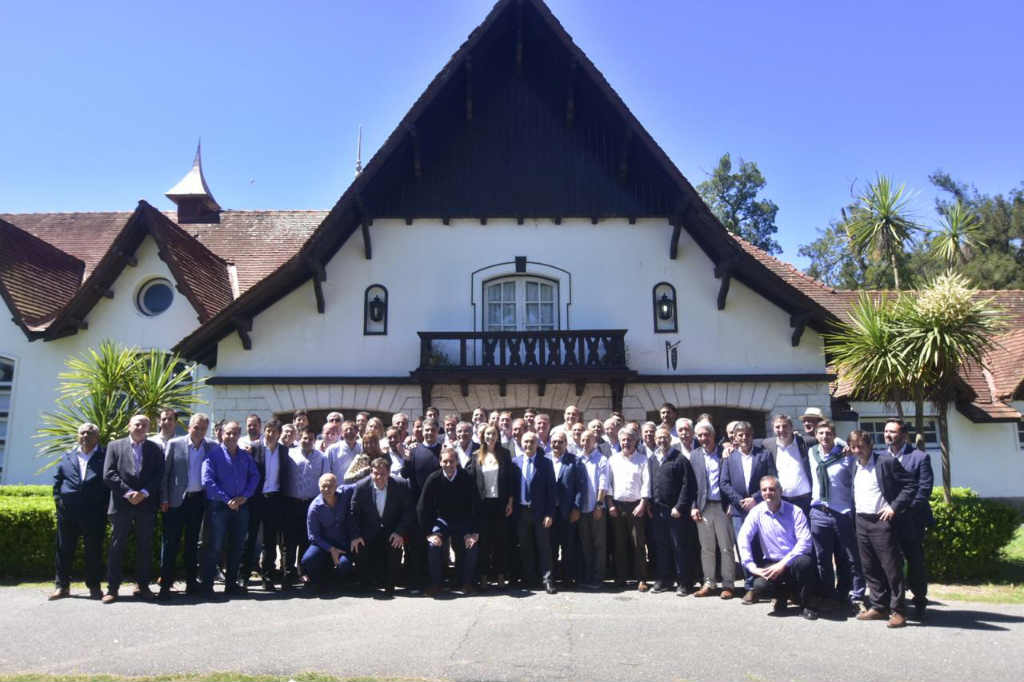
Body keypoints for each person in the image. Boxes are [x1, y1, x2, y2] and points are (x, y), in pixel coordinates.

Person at [847, 430, 916, 628]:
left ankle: (899, 611)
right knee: (869, 567)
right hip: (861, 521)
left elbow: (910, 485)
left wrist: (894, 507)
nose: (858, 450)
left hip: (882, 522)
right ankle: (879, 606)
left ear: (870, 445)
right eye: (854, 447)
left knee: (892, 569)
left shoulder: (885, 462)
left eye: (861, 446)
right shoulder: (854, 465)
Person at [737, 475, 822, 620]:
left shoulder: (795, 511)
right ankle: (782, 595)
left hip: (793, 561)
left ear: (780, 491)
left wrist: (783, 564)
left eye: (772, 489)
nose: (768, 493)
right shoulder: (756, 512)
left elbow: (805, 542)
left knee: (805, 563)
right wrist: (751, 567)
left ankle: (806, 604)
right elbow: (743, 537)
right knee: (759, 587)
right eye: (764, 490)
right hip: (772, 562)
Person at [103, 414, 164, 603]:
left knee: (144, 547)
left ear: (149, 428)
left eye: (144, 425)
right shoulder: (115, 446)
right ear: (129, 426)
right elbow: (109, 473)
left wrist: (144, 493)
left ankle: (143, 586)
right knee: (116, 547)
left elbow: (159, 474)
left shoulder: (155, 448)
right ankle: (112, 589)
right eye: (137, 424)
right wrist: (129, 493)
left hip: (145, 505)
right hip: (122, 505)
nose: (140, 427)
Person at [806, 420, 864, 611]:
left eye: (828, 433)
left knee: (847, 557)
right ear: (816, 435)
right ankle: (828, 594)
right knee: (822, 558)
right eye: (821, 433)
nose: (824, 437)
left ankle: (850, 594)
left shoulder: (845, 454)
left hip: (841, 512)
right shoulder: (812, 453)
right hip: (819, 512)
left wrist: (842, 444)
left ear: (834, 435)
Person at [159, 413, 217, 599]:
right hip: (176, 501)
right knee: (170, 543)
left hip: (198, 501)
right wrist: (164, 498)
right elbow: (165, 475)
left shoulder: (211, 447)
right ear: (189, 427)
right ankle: (165, 585)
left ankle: (191, 583)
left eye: (203, 428)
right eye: (196, 427)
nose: (199, 431)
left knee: (192, 544)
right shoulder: (175, 444)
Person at [883, 419, 935, 621]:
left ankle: (920, 600)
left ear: (904, 435)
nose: (888, 435)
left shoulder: (919, 457)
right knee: (890, 562)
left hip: (911, 519)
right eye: (886, 431)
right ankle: (894, 602)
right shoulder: (880, 458)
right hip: (887, 520)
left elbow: (924, 490)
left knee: (915, 562)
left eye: (892, 432)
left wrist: (902, 509)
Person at [50, 422, 109, 600]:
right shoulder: (68, 456)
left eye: (89, 433)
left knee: (93, 551)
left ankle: (94, 587)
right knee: (64, 550)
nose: (85, 436)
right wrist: (59, 502)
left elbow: (109, 483)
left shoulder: (105, 456)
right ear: (78, 436)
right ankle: (62, 586)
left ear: (97, 437)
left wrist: (104, 507)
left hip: (94, 513)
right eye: (82, 433)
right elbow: (58, 481)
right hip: (68, 512)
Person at [200, 421, 259, 597]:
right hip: (219, 507)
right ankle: (207, 586)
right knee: (214, 547)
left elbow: (255, 476)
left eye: (234, 433)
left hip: (241, 507)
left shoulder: (245, 456)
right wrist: (227, 500)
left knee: (237, 547)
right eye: (228, 433)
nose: (231, 437)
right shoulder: (213, 454)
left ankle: (231, 585)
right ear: (222, 434)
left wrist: (246, 496)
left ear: (239, 434)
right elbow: (207, 481)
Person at [720, 421, 776, 598]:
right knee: (744, 548)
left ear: (752, 435)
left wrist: (756, 498)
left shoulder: (764, 455)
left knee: (762, 546)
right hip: (739, 510)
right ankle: (750, 586)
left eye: (747, 434)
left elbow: (773, 478)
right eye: (740, 435)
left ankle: (765, 585)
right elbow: (724, 483)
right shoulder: (729, 458)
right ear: (735, 437)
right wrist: (739, 501)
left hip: (761, 507)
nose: (744, 438)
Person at [417, 446, 480, 596]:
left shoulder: (467, 477)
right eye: (445, 461)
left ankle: (467, 583)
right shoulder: (433, 479)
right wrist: (428, 533)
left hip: (462, 520)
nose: (448, 465)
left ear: (457, 462)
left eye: (451, 461)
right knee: (433, 546)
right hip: (442, 520)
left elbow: (476, 506)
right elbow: (422, 508)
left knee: (472, 545)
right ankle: (436, 584)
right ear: (440, 462)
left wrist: (474, 532)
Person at [349, 457, 414, 594]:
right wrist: (356, 535)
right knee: (358, 547)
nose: (378, 477)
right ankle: (365, 584)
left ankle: (390, 584)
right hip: (368, 531)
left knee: (395, 548)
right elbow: (352, 514)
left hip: (391, 531)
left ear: (389, 473)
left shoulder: (401, 485)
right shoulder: (361, 486)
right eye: (375, 473)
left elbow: (408, 511)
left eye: (382, 474)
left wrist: (400, 532)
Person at [242, 418, 290, 591]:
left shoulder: (284, 451)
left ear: (279, 435)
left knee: (270, 542)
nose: (270, 434)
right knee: (250, 538)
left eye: (274, 432)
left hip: (274, 499)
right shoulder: (254, 449)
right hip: (256, 499)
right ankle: (243, 577)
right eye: (268, 430)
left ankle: (267, 578)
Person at [689, 421, 736, 598]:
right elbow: (692, 485)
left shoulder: (725, 453)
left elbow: (732, 479)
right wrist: (693, 507)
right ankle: (709, 583)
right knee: (706, 548)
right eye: (700, 435)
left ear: (713, 436)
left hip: (722, 507)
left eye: (706, 435)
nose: (703, 438)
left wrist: (731, 503)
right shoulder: (694, 456)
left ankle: (728, 584)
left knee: (726, 547)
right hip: (703, 507)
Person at [647, 426, 695, 595]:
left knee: (679, 547)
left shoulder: (680, 459)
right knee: (662, 546)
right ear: (655, 440)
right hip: (658, 511)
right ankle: (664, 580)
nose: (662, 441)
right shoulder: (653, 459)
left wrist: (679, 507)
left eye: (665, 438)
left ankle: (684, 582)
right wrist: (650, 505)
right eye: (659, 438)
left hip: (675, 511)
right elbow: (651, 484)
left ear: (670, 439)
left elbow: (687, 486)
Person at [465, 425, 514, 588]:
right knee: (484, 542)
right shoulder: (475, 455)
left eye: (493, 434)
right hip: (483, 504)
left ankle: (500, 575)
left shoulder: (505, 454)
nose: (491, 437)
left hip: (500, 503)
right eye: (488, 434)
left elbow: (510, 480)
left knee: (501, 541)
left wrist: (510, 501)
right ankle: (484, 576)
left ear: (498, 436)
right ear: (482, 436)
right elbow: (470, 481)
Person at [282, 425, 330, 586]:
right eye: (304, 438)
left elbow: (326, 480)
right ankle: (287, 573)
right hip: (290, 502)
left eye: (310, 439)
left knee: (305, 539)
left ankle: (303, 572)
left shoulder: (322, 458)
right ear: (299, 438)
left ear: (314, 441)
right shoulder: (290, 454)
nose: (307, 441)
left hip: (310, 504)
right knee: (289, 541)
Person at [513, 431, 557, 593]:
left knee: (544, 547)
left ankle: (547, 580)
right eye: (525, 442)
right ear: (521, 443)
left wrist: (550, 514)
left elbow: (551, 492)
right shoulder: (515, 462)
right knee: (525, 546)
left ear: (537, 444)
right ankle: (529, 579)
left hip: (540, 512)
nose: (528, 445)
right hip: (522, 511)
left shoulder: (546, 463)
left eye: (532, 442)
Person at [606, 427, 650, 591]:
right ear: (620, 441)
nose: (626, 442)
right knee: (619, 543)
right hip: (617, 506)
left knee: (638, 543)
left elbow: (647, 483)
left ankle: (641, 578)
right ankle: (621, 577)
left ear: (636, 441)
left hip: (636, 506)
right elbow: (608, 484)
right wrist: (610, 504)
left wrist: (643, 504)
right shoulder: (613, 460)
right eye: (623, 440)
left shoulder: (642, 460)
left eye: (629, 440)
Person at [301, 473, 355, 595]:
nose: (327, 489)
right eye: (324, 486)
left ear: (336, 486)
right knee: (308, 560)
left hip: (344, 543)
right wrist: (331, 549)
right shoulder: (314, 508)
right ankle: (319, 581)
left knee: (344, 565)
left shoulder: (345, 493)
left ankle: (337, 581)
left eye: (330, 486)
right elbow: (313, 536)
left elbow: (363, 484)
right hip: (324, 545)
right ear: (319, 486)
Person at [759, 414, 813, 516]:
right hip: (782, 500)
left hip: (806, 500)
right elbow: (749, 443)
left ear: (791, 427)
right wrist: (728, 446)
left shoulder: (806, 442)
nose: (781, 429)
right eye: (777, 427)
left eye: (785, 426)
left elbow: (827, 440)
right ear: (773, 429)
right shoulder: (768, 444)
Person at [576, 428, 609, 590]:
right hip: (582, 510)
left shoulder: (601, 460)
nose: (585, 443)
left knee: (599, 544)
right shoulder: (578, 459)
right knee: (585, 544)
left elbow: (603, 484)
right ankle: (587, 575)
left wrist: (599, 505)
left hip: (596, 508)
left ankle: (598, 577)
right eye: (582, 440)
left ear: (594, 442)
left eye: (588, 440)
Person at [548, 430, 581, 587]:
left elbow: (580, 487)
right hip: (549, 512)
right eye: (554, 441)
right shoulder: (545, 460)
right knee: (551, 546)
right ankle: (552, 578)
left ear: (566, 444)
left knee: (568, 546)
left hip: (567, 510)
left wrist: (576, 507)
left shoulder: (574, 461)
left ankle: (568, 578)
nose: (556, 444)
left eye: (560, 442)